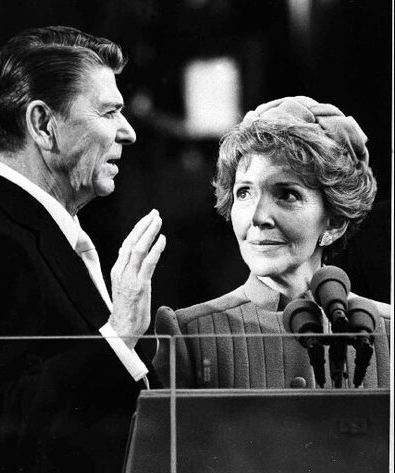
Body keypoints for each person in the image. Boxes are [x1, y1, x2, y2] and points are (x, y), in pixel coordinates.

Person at [0, 26, 165, 472]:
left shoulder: (42, 229)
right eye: (109, 112)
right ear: (42, 125)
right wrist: (119, 336)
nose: (128, 132)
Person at [153, 96, 390, 390]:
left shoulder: (388, 331)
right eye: (244, 193)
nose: (257, 217)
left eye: (287, 194)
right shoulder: (190, 333)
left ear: (335, 222)